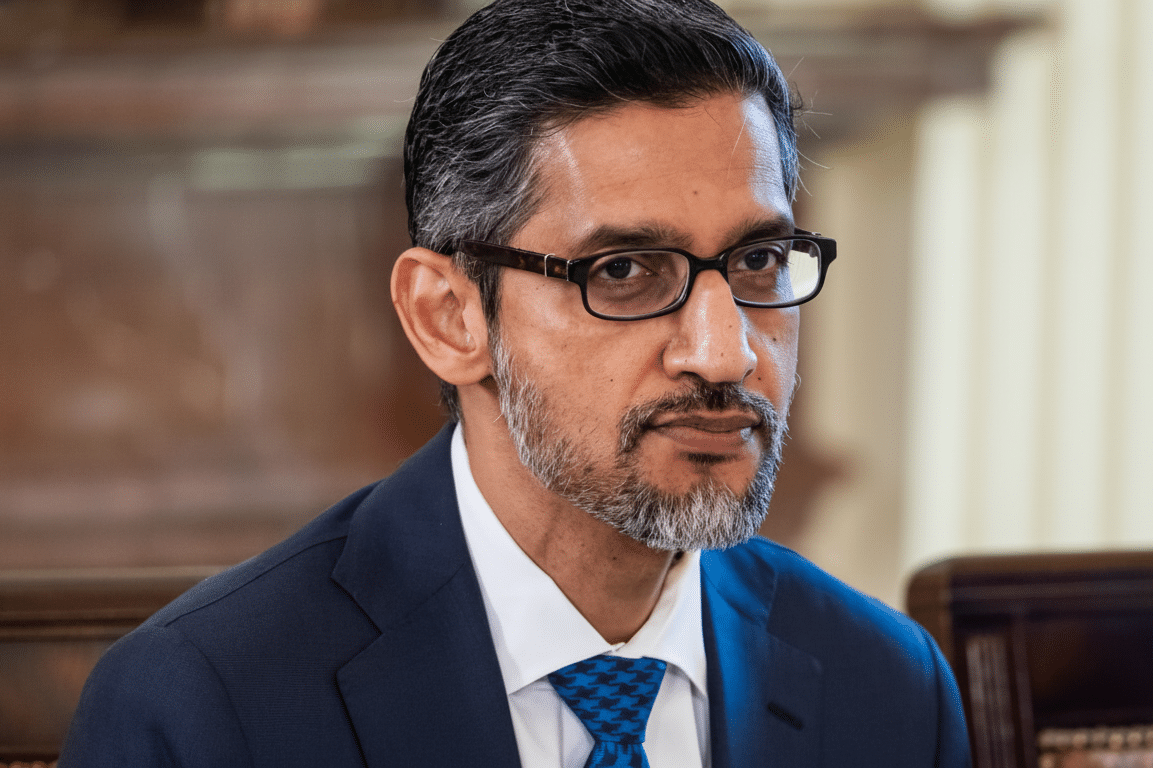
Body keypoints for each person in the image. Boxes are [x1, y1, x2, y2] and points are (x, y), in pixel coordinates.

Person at [60, 1, 970, 766]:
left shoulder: (888, 690)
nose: (725, 352)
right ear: (449, 317)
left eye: (760, 259)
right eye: (624, 271)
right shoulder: (208, 708)